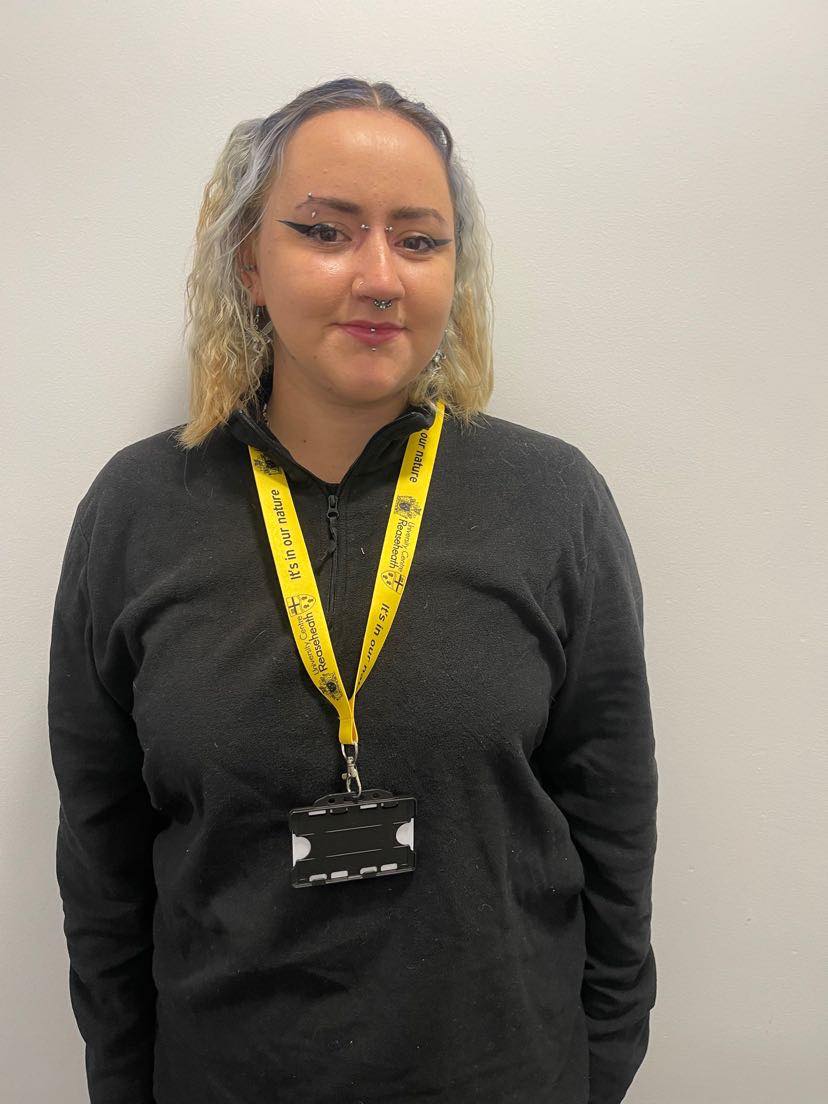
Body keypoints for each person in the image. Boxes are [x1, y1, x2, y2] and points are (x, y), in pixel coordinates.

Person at [47, 77, 658, 1104]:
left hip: (505, 1075)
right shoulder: (137, 509)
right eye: (326, 232)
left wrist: (600, 1064)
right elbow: (100, 849)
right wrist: (121, 1075)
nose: (379, 277)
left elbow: (614, 814)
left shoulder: (553, 501)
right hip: (226, 1077)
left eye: (419, 241)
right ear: (249, 261)